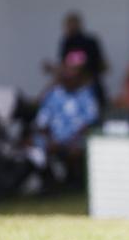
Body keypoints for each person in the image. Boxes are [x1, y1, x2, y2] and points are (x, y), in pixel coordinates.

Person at [34, 55, 99, 188]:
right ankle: (50, 184)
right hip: (52, 140)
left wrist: (70, 141)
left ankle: (73, 183)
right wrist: (51, 140)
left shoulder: (86, 95)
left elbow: (91, 122)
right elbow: (42, 122)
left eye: (72, 77)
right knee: (35, 147)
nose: (69, 80)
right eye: (66, 77)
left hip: (76, 140)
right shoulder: (53, 94)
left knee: (76, 150)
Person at [45, 12, 109, 110]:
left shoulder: (83, 42)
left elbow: (76, 66)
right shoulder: (70, 41)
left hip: (87, 86)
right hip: (86, 87)